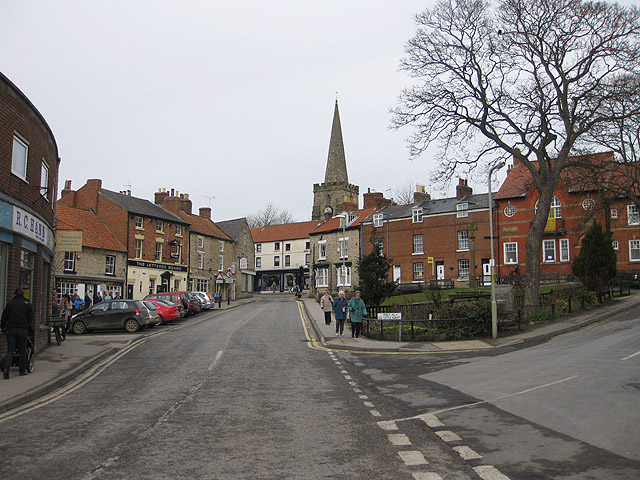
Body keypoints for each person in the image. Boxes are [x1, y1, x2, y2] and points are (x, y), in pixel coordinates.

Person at [1, 288, 34, 378]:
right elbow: (30, 318)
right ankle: (22, 370)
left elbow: (4, 317)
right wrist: (29, 328)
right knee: (22, 350)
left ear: (15, 294)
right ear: (23, 294)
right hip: (23, 329)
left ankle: (6, 370)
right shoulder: (27, 304)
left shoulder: (10, 304)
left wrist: (2, 327)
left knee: (10, 350)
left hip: (11, 329)